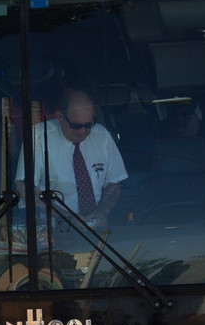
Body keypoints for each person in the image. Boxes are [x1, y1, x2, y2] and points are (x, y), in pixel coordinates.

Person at [14, 88, 127, 230]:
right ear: (60, 116)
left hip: (95, 228)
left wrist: (103, 211)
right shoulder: (39, 137)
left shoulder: (102, 136)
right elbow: (25, 186)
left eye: (88, 125)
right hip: (51, 231)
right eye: (76, 125)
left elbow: (114, 182)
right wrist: (66, 218)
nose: (82, 131)